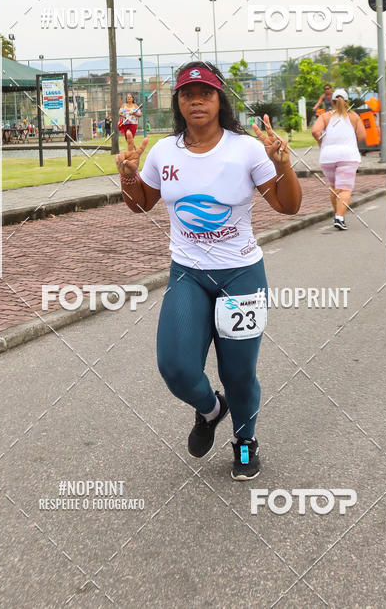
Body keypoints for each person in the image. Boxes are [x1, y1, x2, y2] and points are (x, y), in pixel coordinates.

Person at [115, 61, 302, 480]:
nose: (196, 100)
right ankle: (211, 409)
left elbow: (288, 206)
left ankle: (245, 442)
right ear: (178, 103)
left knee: (238, 372)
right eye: (186, 94)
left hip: (241, 275)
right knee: (176, 368)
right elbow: (142, 202)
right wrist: (128, 178)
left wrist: (283, 163)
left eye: (205, 93)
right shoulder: (164, 151)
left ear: (220, 100)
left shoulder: (247, 149)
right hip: (189, 274)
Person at [311, 88, 366, 230]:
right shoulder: (353, 116)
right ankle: (339, 218)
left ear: (332, 102)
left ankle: (337, 214)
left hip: (328, 156)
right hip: (348, 156)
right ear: (347, 101)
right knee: (345, 189)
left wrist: (321, 142)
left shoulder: (325, 116)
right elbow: (362, 136)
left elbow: (315, 131)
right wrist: (352, 141)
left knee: (335, 187)